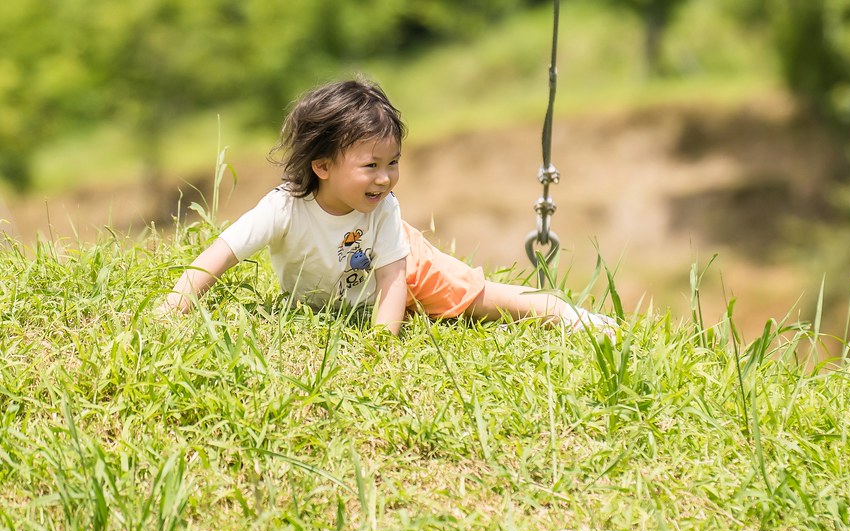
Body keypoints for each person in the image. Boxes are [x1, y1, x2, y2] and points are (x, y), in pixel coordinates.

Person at [162, 78, 618, 338]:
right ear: (321, 166)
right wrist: (175, 304)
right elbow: (220, 254)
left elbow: (394, 280)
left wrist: (382, 343)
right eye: (370, 165)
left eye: (393, 163)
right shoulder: (283, 209)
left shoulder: (383, 210)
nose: (385, 177)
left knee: (476, 300)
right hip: (354, 289)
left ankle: (569, 316)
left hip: (408, 264)